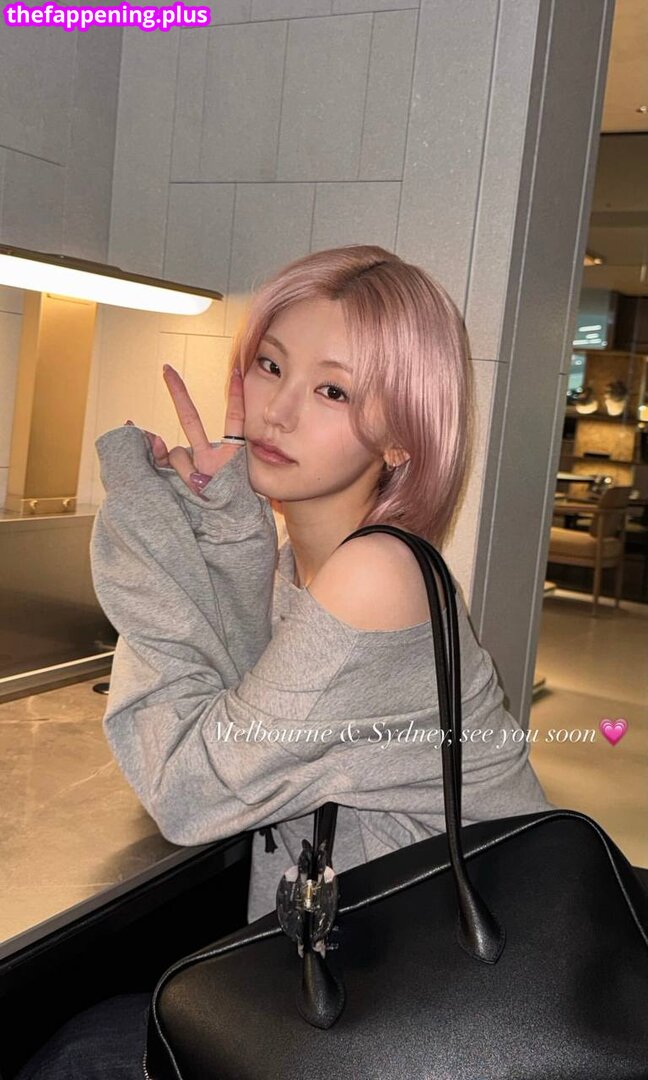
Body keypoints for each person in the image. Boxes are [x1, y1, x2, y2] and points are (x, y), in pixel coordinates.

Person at [15, 244, 553, 1078]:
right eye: (271, 365)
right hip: (365, 976)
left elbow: (190, 789)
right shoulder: (310, 563)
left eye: (333, 390)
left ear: (403, 437)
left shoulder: (379, 575)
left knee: (78, 1053)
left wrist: (150, 526)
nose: (279, 409)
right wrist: (229, 529)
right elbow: (247, 704)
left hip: (437, 1016)